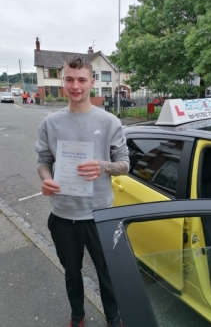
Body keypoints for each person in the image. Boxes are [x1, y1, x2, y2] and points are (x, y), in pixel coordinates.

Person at [35, 55, 129, 327]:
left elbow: (125, 165)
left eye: (81, 80)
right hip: (63, 216)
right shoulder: (50, 124)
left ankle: (114, 318)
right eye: (69, 79)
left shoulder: (109, 122)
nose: (75, 86)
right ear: (63, 80)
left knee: (107, 273)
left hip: (99, 215)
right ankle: (78, 316)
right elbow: (43, 162)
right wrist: (46, 179)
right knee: (71, 273)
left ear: (92, 82)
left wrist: (103, 166)